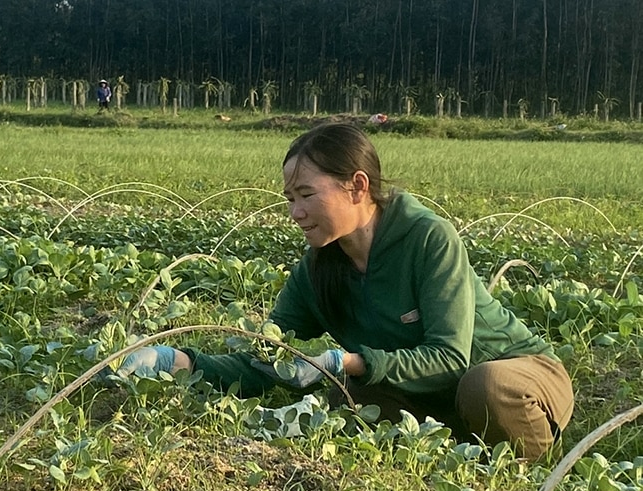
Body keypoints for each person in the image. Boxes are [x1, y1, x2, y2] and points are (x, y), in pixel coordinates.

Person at [116, 122, 574, 461]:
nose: (295, 211)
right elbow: (272, 355)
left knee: (485, 387)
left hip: (516, 378)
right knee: (347, 398)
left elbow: (452, 358)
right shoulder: (318, 267)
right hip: (433, 398)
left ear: (357, 186)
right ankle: (459, 453)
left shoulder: (428, 239)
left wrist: (352, 361)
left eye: (306, 195)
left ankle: (528, 461)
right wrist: (181, 362)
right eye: (289, 199)